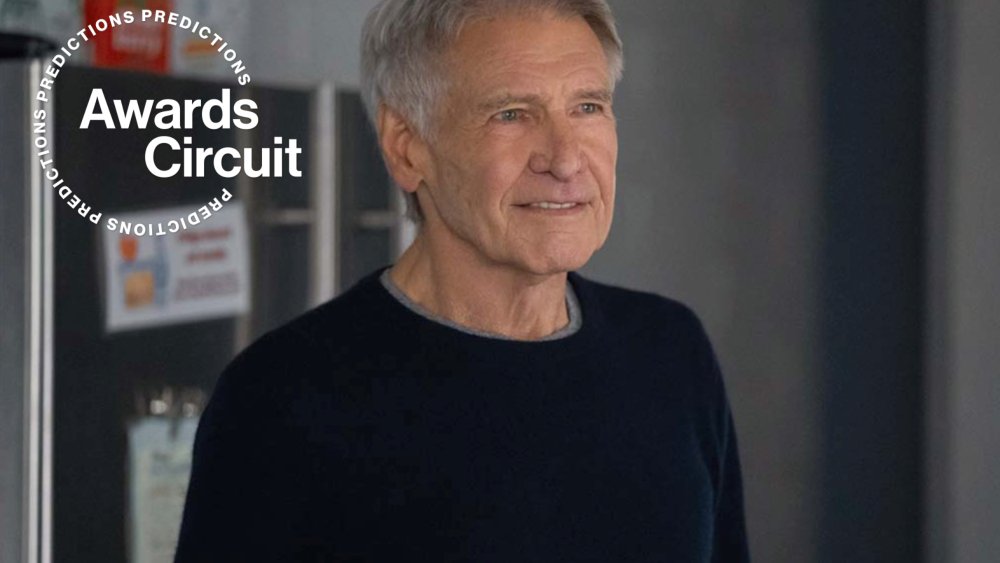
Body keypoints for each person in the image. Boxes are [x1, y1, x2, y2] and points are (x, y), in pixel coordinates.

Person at [174, 0, 750, 561]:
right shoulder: (281, 397)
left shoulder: (671, 350)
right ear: (407, 148)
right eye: (511, 114)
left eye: (588, 107)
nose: (566, 159)